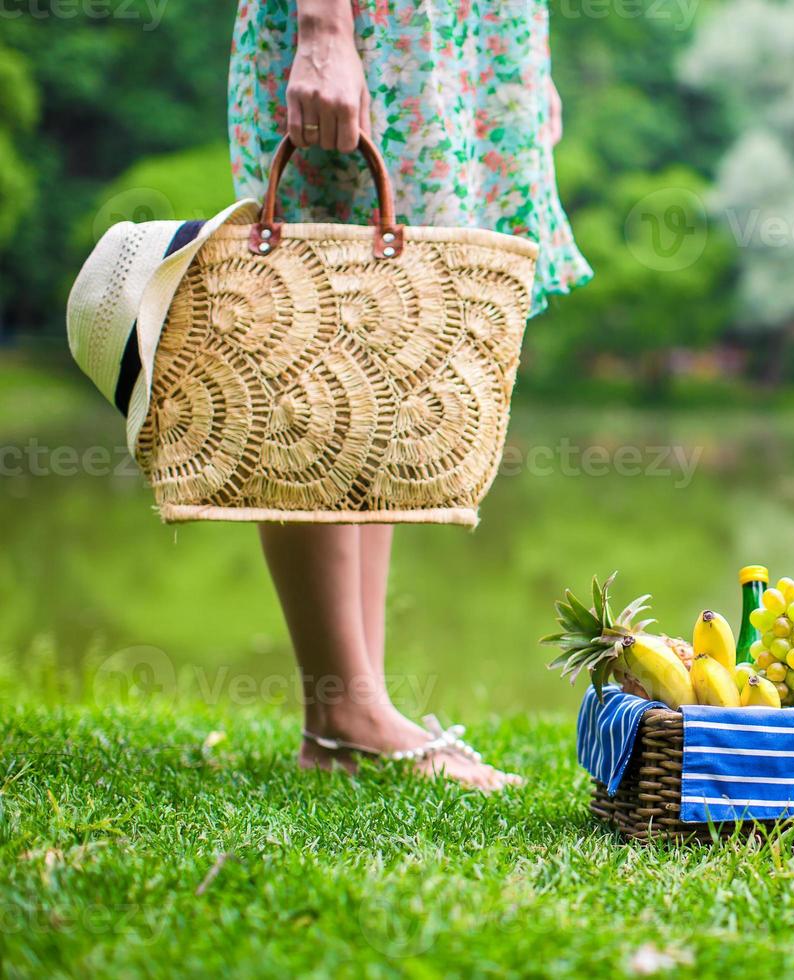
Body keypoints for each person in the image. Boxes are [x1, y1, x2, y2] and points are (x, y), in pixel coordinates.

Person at [227, 0, 591, 791]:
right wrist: (324, 29)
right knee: (320, 344)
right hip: (386, 29)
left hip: (468, 39)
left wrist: (527, 58)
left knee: (387, 356)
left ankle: (351, 714)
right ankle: (343, 710)